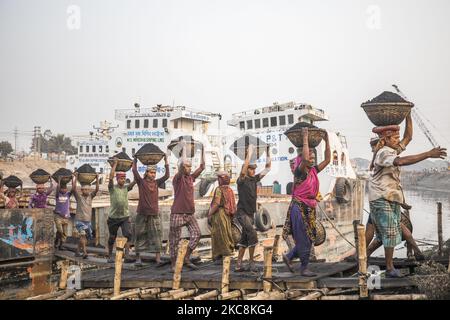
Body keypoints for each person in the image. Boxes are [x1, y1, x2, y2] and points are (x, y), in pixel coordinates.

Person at [368, 123, 446, 278]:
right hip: (381, 198)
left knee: (387, 233)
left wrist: (408, 115)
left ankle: (362, 257)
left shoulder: (392, 149)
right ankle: (389, 268)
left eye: (398, 138)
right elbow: (401, 162)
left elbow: (408, 137)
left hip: (390, 198)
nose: (398, 141)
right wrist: (428, 154)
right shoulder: (383, 153)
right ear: (387, 139)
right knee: (389, 234)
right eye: (395, 138)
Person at [282, 128, 331, 276]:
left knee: (310, 237)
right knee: (304, 237)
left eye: (313, 154)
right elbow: (303, 159)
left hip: (310, 207)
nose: (312, 157)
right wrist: (304, 138)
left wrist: (327, 140)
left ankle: (289, 256)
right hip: (299, 207)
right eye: (310, 154)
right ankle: (304, 268)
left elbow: (328, 160)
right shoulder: (300, 171)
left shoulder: (313, 170)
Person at [235, 144, 271, 272]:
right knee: (253, 234)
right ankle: (251, 262)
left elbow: (267, 168)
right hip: (241, 213)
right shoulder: (241, 180)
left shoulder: (254, 180)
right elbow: (243, 170)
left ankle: (238, 264)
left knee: (244, 239)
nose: (253, 171)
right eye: (251, 169)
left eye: (254, 169)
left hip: (250, 213)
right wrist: (249, 154)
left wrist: (267, 152)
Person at [169, 141, 205, 271]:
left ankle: (186, 257)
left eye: (190, 166)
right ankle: (173, 264)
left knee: (196, 234)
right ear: (183, 168)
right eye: (187, 166)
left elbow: (202, 167)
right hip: (177, 212)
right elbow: (182, 166)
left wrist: (203, 150)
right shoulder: (177, 178)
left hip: (189, 213)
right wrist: (184, 148)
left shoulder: (191, 178)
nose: (190, 168)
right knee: (174, 240)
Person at [132, 150, 170, 267]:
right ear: (146, 173)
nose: (153, 175)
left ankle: (158, 259)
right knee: (139, 235)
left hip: (154, 213)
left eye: (154, 173)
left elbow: (167, 175)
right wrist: (135, 159)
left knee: (157, 235)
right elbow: (134, 170)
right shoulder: (141, 182)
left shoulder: (157, 183)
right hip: (142, 213)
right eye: (151, 172)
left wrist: (166, 161)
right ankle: (138, 259)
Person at [107, 159, 136, 263]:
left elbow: (135, 181)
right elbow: (110, 178)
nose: (123, 180)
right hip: (113, 218)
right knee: (112, 237)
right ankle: (110, 256)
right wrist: (114, 165)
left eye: (124, 179)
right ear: (117, 179)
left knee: (128, 235)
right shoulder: (112, 188)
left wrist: (134, 167)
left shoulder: (126, 188)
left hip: (124, 217)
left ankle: (127, 255)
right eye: (121, 179)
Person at [208, 171, 236, 263]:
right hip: (227, 215)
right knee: (226, 234)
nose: (218, 180)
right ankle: (226, 254)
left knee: (218, 235)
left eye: (219, 178)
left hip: (219, 215)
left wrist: (210, 214)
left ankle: (219, 256)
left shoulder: (219, 190)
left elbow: (216, 204)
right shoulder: (230, 190)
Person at [72, 173, 99, 259]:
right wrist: (75, 177)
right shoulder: (78, 197)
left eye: (88, 189)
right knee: (83, 236)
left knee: (85, 238)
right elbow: (73, 189)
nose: (86, 191)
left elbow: (97, 189)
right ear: (82, 190)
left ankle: (77, 251)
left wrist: (97, 179)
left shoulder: (91, 196)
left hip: (88, 221)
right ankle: (84, 252)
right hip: (79, 220)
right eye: (85, 190)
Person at [54, 176, 73, 250]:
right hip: (58, 216)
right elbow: (57, 188)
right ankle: (56, 241)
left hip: (66, 217)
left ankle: (60, 245)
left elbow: (73, 188)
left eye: (65, 188)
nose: (64, 190)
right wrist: (59, 180)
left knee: (65, 233)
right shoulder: (58, 195)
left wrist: (74, 179)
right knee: (60, 231)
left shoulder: (68, 194)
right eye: (62, 188)